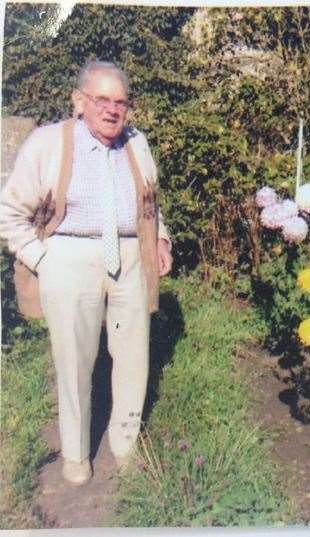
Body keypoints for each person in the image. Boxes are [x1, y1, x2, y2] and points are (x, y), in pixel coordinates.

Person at [0, 60, 172, 485]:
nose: (112, 110)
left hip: (131, 258)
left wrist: (161, 239)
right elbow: (10, 212)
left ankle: (126, 443)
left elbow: (149, 200)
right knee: (74, 361)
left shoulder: (136, 142)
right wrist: (43, 260)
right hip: (69, 259)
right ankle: (76, 455)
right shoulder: (48, 143)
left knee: (134, 356)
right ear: (79, 102)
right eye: (102, 100)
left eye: (121, 102)